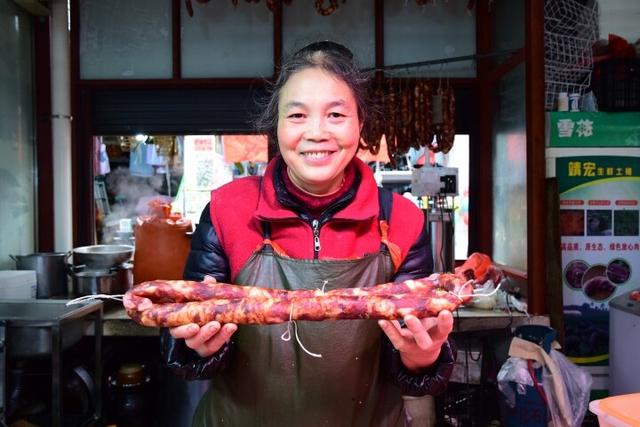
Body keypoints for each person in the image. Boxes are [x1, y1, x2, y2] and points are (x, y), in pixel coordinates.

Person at [160, 41, 455, 426]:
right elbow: (183, 336)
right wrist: (195, 348)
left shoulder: (401, 219)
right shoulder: (227, 209)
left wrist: (422, 358)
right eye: (297, 115)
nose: (316, 133)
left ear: (360, 123)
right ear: (276, 125)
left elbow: (411, 355)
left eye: (335, 114)